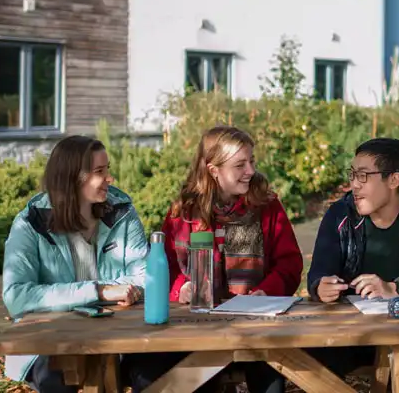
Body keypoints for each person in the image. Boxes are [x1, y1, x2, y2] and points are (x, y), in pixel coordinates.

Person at [123, 126, 304, 393]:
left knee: (270, 373)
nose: (251, 171)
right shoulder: (183, 212)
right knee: (152, 370)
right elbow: (167, 266)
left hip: (253, 328)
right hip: (194, 330)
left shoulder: (267, 206)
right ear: (213, 170)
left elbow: (290, 263)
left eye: (252, 161)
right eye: (240, 164)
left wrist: (266, 292)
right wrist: (181, 288)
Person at [306, 138, 399, 393]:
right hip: (353, 334)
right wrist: (320, 286)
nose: (354, 184)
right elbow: (319, 272)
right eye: (352, 174)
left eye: (363, 176)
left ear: (394, 180)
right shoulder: (339, 215)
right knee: (297, 356)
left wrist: (396, 288)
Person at [2, 136, 149, 393]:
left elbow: (145, 278)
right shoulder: (30, 222)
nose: (109, 179)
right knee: (58, 379)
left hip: (122, 333)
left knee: (159, 369)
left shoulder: (122, 212)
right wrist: (98, 291)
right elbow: (16, 296)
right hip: (51, 338)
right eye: (99, 172)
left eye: (108, 169)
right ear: (73, 177)